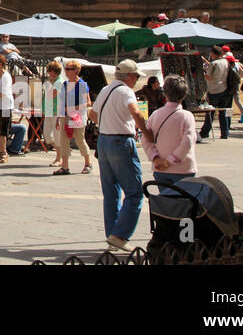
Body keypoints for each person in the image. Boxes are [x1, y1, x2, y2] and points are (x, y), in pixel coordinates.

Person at [89, 59, 150, 251]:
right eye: (137, 76)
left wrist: (107, 122)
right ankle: (120, 234)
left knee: (111, 192)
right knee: (134, 192)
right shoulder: (125, 91)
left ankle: (112, 235)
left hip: (104, 140)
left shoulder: (107, 90)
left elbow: (92, 113)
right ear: (129, 76)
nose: (137, 80)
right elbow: (136, 112)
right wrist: (148, 133)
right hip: (120, 141)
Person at [141, 75, 196, 186]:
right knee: (183, 201)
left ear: (165, 94)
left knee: (165, 201)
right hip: (183, 169)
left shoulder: (155, 114)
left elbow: (145, 138)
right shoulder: (187, 116)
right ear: (184, 95)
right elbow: (187, 142)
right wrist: (170, 160)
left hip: (160, 169)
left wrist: (155, 158)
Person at [57, 61, 92, 175]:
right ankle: (65, 166)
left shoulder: (82, 84)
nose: (66, 71)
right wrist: (59, 116)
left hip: (77, 116)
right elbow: (62, 101)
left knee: (79, 140)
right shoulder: (65, 84)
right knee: (64, 141)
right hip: (65, 116)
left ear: (76, 70)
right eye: (65, 69)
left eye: (69, 69)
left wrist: (74, 107)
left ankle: (88, 163)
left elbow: (88, 103)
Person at [199, 46, 233, 140]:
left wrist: (203, 73)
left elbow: (209, 76)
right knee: (222, 112)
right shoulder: (225, 62)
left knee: (210, 112)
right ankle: (225, 133)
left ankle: (205, 132)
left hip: (214, 90)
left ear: (213, 54)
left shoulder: (213, 64)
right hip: (224, 89)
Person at [42, 61, 64, 167]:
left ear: (55, 72)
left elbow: (52, 95)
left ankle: (59, 157)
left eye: (50, 71)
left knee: (57, 135)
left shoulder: (58, 82)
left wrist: (48, 85)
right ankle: (61, 151)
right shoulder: (51, 82)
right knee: (47, 135)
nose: (49, 73)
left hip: (57, 111)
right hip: (49, 110)